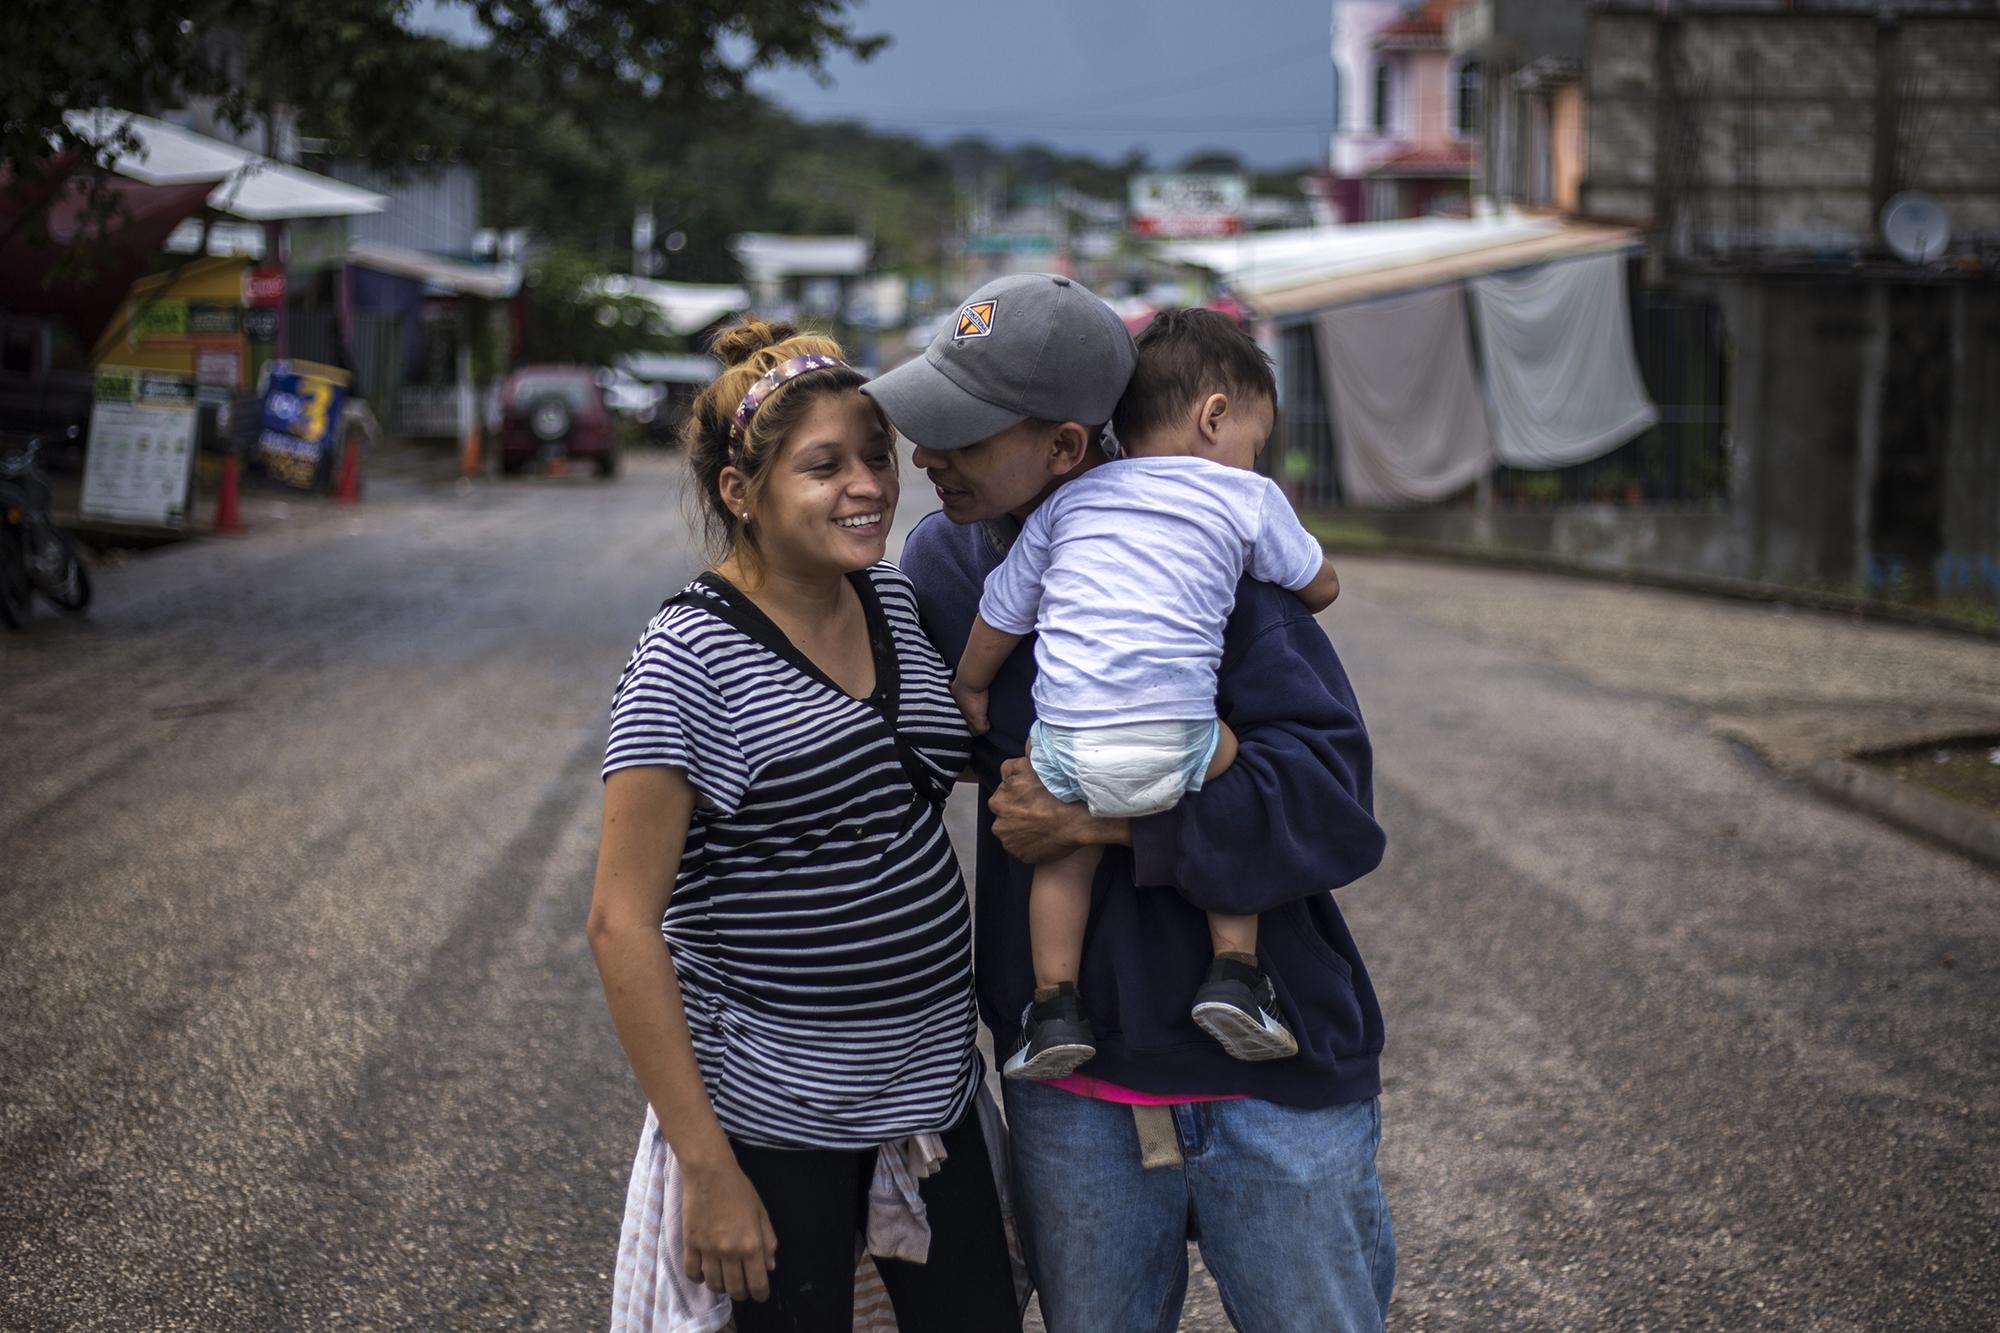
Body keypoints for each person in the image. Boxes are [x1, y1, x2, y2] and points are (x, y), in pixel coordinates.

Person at [865, 273, 1395, 1333]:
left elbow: (1331, 801)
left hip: (1268, 1068)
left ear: (1065, 446)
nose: (927, 457)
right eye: (923, 422)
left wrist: (1104, 823)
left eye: (962, 435)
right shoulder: (939, 570)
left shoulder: (1213, 541)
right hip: (1072, 1081)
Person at [587, 320, 1018, 1333]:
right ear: (742, 494)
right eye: (824, 466)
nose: (868, 485)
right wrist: (707, 1167)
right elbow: (619, 924)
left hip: (931, 1103)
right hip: (774, 1123)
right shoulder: (685, 660)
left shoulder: (894, 605)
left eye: (875, 458)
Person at [949, 308, 1344, 1081]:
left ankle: (1054, 1004)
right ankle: (1235, 972)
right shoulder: (1245, 499)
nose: (1252, 462)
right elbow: (1319, 586)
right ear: (1215, 416)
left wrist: (969, 685)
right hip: (1180, 743)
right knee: (1232, 764)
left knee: (1062, 855)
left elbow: (1001, 612)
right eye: (1254, 445)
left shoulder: (1069, 503)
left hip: (1066, 748)